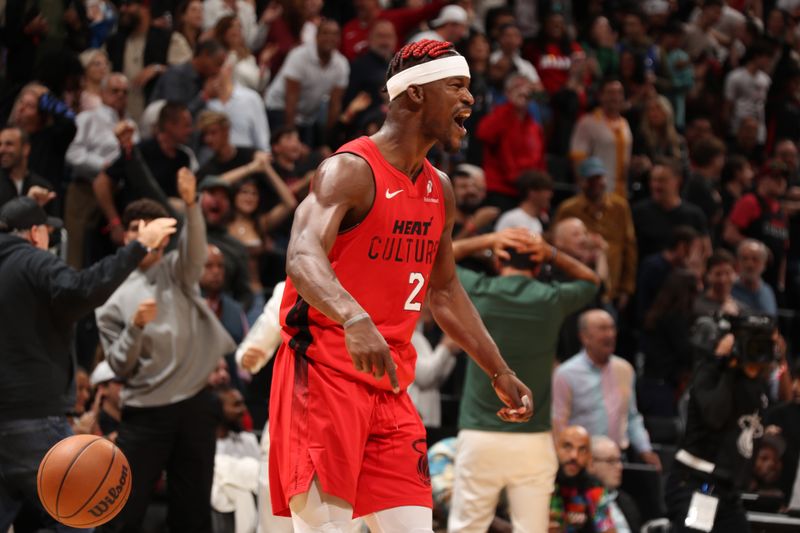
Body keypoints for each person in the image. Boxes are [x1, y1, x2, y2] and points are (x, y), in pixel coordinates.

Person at [269, 40, 534, 532]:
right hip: (324, 377)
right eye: (456, 86)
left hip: (391, 388)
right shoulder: (349, 170)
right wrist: (353, 316)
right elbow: (301, 258)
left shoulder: (440, 189)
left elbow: (446, 292)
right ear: (413, 95)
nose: (469, 100)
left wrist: (498, 369)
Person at [0, 196, 175, 532]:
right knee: (80, 515)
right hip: (32, 417)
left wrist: (21, 208)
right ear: (36, 234)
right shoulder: (32, 260)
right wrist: (139, 246)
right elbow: (83, 290)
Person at [95, 169, 236, 533]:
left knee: (193, 515)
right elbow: (119, 364)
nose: (144, 234)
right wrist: (135, 327)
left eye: (152, 227)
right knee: (123, 514)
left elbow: (196, 250)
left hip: (195, 403)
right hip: (146, 412)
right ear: (126, 236)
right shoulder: (109, 293)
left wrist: (191, 205)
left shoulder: (177, 270)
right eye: (136, 228)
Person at [448, 234, 600, 532]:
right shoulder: (551, 298)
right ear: (537, 265)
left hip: (480, 434)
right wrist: (552, 253)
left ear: (499, 259)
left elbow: (438, 256)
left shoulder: (479, 290)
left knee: (465, 528)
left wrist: (489, 239)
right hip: (532, 438)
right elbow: (591, 280)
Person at [664, 321, 774, 533]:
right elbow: (714, 417)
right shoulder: (709, 372)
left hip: (728, 492)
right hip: (698, 485)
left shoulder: (756, 384)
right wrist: (727, 364)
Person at [552, 310, 661, 471]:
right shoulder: (565, 374)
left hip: (616, 460)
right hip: (581, 462)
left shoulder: (625, 369)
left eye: (612, 328)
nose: (610, 334)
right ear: (584, 337)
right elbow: (559, 423)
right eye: (603, 329)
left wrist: (645, 450)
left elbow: (631, 417)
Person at [65, 72, 137, 268]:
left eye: (125, 92)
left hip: (118, 194)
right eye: (115, 91)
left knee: (113, 252)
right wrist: (104, 166)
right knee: (77, 253)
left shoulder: (131, 124)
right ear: (103, 93)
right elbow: (72, 153)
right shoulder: (87, 118)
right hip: (85, 191)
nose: (121, 95)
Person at [554, 157, 637, 310]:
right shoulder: (568, 209)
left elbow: (629, 247)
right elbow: (557, 243)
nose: (596, 184)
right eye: (590, 179)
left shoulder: (620, 207)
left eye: (599, 178)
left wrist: (627, 288)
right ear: (581, 182)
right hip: (577, 284)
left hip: (612, 284)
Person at [264, 19, 350, 147]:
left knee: (309, 154)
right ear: (316, 36)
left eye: (335, 34)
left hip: (306, 115)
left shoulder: (341, 64)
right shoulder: (299, 56)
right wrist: (292, 139)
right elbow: (291, 99)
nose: (330, 38)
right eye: (325, 33)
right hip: (279, 108)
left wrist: (327, 142)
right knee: (288, 151)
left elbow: (335, 105)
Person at [476, 74, 546, 210]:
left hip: (527, 194)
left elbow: (540, 163)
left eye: (527, 88)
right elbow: (483, 134)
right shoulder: (499, 115)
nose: (523, 91)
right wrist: (510, 106)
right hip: (500, 189)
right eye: (517, 87)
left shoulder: (534, 126)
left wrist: (541, 201)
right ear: (507, 93)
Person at [724, 164, 790, 292]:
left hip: (772, 282)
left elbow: (783, 252)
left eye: (784, 178)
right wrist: (759, 250)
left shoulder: (781, 212)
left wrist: (781, 283)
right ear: (762, 179)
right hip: (747, 279)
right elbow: (729, 234)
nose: (781, 182)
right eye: (775, 177)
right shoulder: (750, 202)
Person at [632, 158, 710, 261]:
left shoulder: (694, 214)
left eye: (662, 180)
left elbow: (706, 250)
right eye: (653, 180)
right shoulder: (638, 212)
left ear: (678, 181)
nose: (656, 185)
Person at [570, 77, 633, 196]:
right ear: (601, 96)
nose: (615, 97)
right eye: (610, 93)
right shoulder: (587, 123)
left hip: (620, 195)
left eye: (619, 93)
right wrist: (584, 189)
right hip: (596, 194)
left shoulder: (625, 124)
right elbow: (578, 160)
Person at [549, 426, 618, 533]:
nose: (574, 456)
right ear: (555, 449)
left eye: (582, 450)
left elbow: (608, 528)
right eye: (567, 447)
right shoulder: (542, 484)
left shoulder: (594, 488)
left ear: (589, 457)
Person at [150, 39, 228, 116]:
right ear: (205, 54)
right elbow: (175, 117)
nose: (218, 70)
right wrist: (204, 96)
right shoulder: (176, 75)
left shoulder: (205, 79)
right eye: (218, 64)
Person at [589, 436, 642, 533]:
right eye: (611, 461)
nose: (619, 467)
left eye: (619, 460)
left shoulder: (627, 501)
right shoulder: (581, 502)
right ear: (591, 464)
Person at [0, 126, 55, 210]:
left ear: (25, 149)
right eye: (0, 144)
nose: (2, 150)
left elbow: (55, 222)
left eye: (9, 144)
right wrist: (28, 203)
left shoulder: (43, 186)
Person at [493, 170, 553, 235]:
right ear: (532, 192)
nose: (550, 194)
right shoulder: (512, 218)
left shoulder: (537, 222)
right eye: (546, 190)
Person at [733, 239, 778, 316]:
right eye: (745, 258)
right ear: (737, 262)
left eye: (755, 259)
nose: (749, 264)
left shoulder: (768, 291)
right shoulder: (728, 288)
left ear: (764, 264)